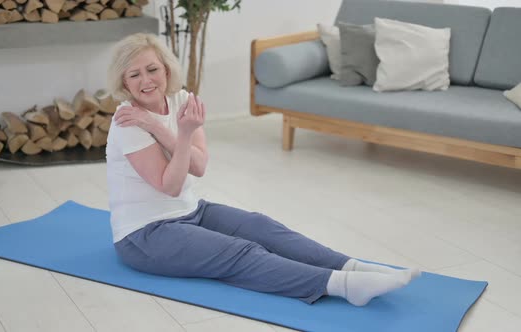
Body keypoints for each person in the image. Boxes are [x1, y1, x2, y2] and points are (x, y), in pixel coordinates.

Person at [106, 33, 421, 306]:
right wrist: (182, 133)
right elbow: (170, 185)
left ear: (166, 68)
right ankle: (344, 287)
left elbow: (199, 167)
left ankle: (353, 267)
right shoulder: (127, 121)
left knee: (262, 227)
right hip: (145, 234)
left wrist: (160, 128)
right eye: (135, 75)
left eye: (152, 69)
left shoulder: (181, 100)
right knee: (240, 252)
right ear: (124, 82)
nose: (146, 81)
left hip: (192, 211)